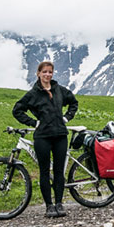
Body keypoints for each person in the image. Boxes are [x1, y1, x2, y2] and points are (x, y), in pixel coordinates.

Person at [13, 61, 78, 218]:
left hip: (60, 136)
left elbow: (74, 103)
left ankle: (59, 204)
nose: (47, 75)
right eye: (44, 72)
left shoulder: (59, 90)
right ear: (38, 74)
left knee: (58, 172)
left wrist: (66, 118)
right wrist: (33, 123)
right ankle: (49, 206)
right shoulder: (33, 94)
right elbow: (17, 110)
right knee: (44, 172)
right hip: (42, 137)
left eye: (50, 72)